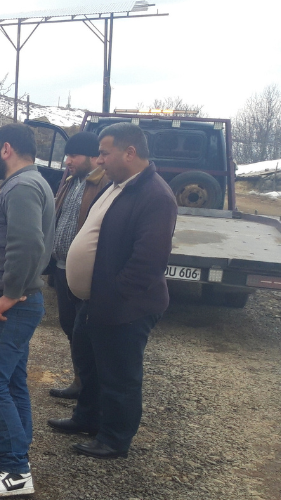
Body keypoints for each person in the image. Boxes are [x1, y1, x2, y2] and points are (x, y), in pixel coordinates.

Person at [47, 123, 177, 459]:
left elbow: (148, 263)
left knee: (120, 375)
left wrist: (112, 297)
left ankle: (115, 438)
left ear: (129, 153)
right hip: (94, 301)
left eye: (105, 152)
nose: (100, 159)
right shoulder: (118, 186)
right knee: (88, 362)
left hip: (125, 307)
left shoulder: (156, 196)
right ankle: (87, 418)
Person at [0, 124, 55, 498]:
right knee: (12, 381)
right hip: (16, 303)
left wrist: (10, 294)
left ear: (6, 149)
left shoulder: (22, 187)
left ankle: (17, 472)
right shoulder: (31, 183)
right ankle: (12, 456)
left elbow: (28, 244)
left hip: (9, 307)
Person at [47, 132, 109, 399]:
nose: (68, 161)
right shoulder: (72, 181)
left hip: (83, 273)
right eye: (67, 155)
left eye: (74, 155)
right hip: (61, 268)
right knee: (68, 324)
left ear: (93, 157)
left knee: (84, 332)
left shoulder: (104, 185)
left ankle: (91, 388)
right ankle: (80, 381)